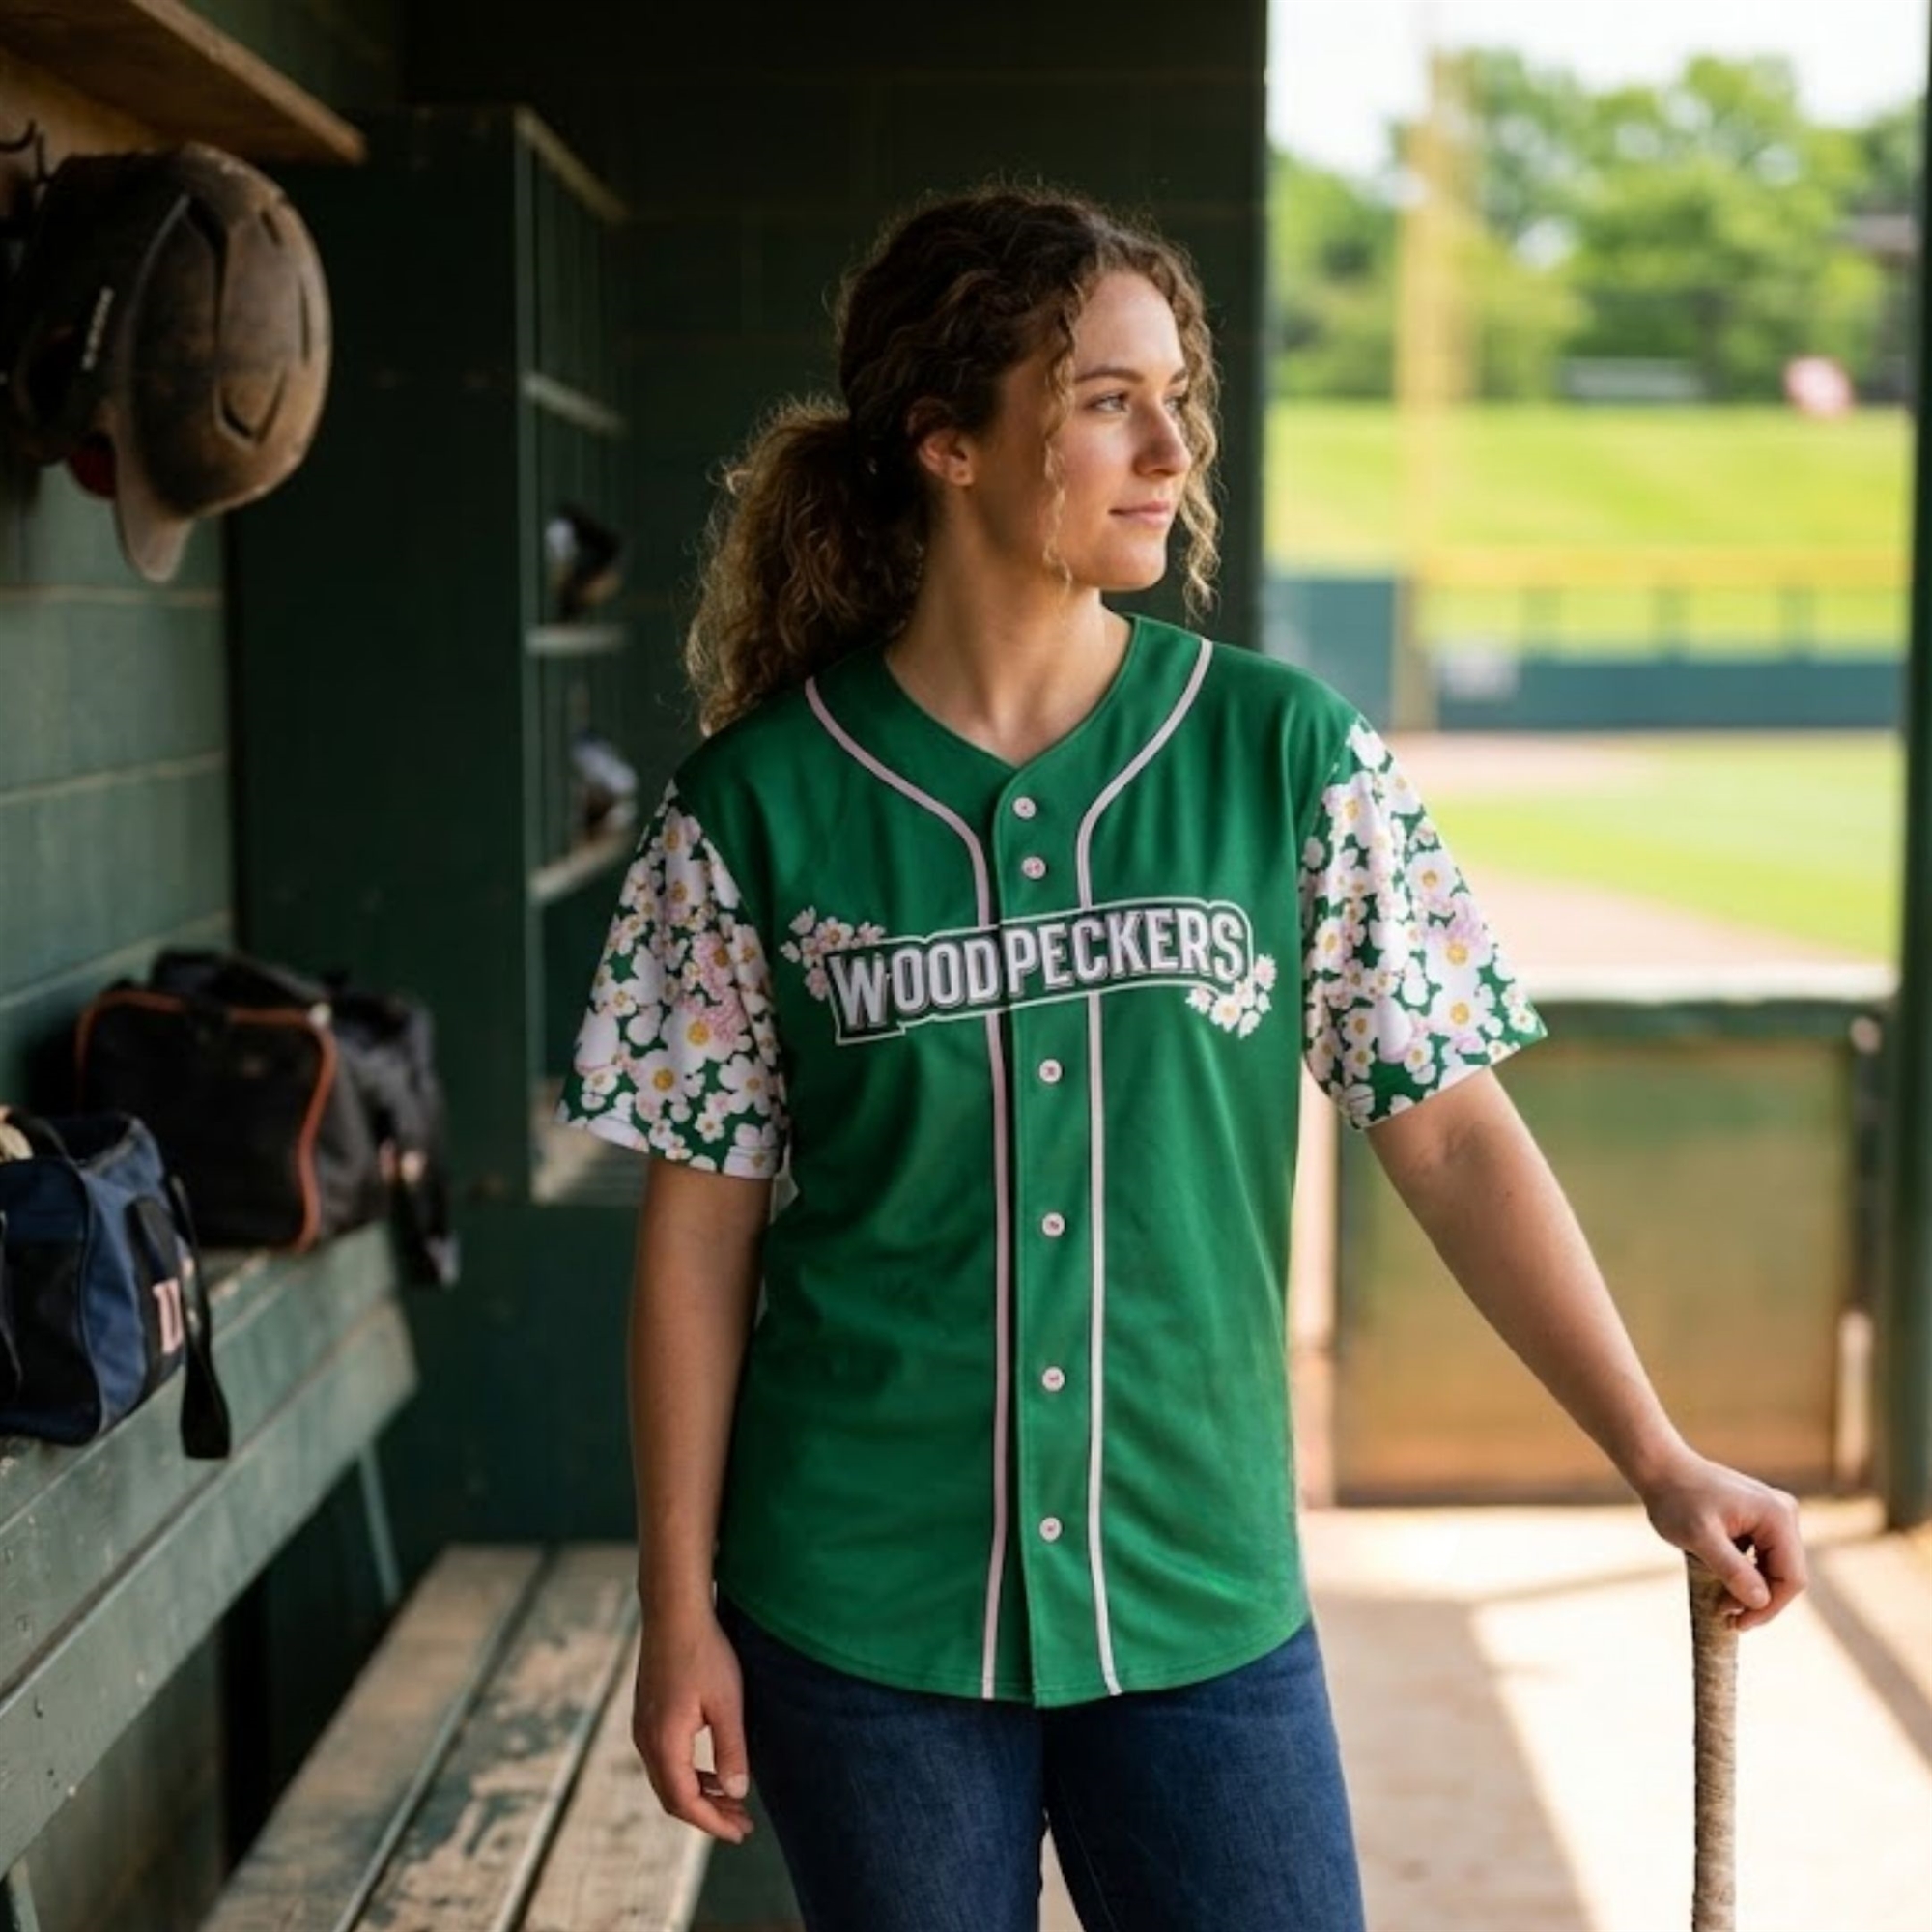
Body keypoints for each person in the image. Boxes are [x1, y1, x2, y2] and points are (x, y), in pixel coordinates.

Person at [554, 184, 1808, 1932]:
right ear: (949, 444)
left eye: (1181, 400)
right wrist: (676, 1608)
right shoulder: (752, 810)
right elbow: (699, 1230)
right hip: (861, 1611)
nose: (1170, 448)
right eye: (1105, 400)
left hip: (1201, 1593)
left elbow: (1447, 1131)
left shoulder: (1287, 754)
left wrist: (1658, 1457)